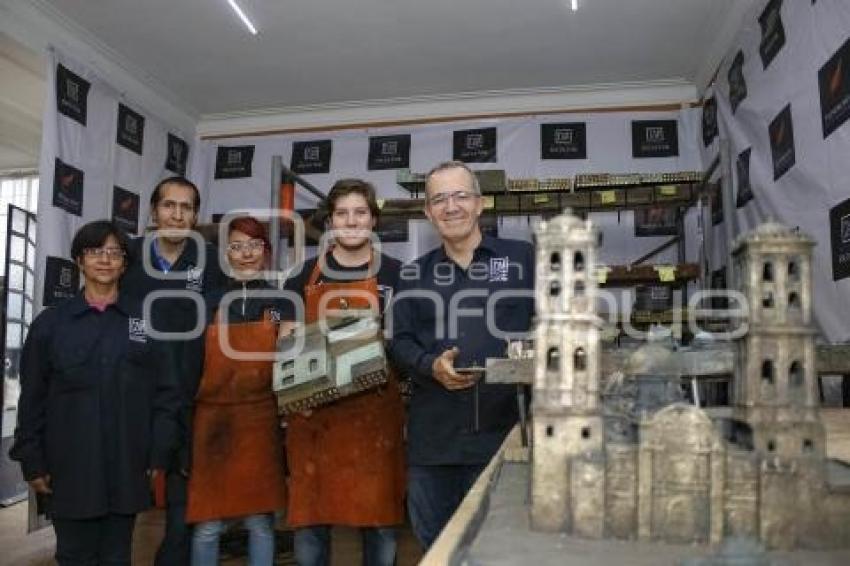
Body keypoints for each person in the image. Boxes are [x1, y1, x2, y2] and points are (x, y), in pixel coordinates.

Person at [10, 220, 180, 566]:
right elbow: (32, 399)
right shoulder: (51, 324)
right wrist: (32, 460)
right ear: (79, 261)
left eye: (114, 252)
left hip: (127, 466)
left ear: (125, 264)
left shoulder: (145, 322)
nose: (105, 259)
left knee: (118, 557)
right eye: (94, 251)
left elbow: (167, 393)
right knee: (75, 557)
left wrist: (157, 454)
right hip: (69, 469)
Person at [388, 161, 534, 549]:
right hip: (434, 443)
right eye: (439, 199)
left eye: (460, 196)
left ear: (480, 203)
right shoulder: (412, 275)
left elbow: (557, 323)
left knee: (502, 549)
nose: (451, 207)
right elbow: (398, 342)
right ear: (427, 212)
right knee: (437, 545)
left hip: (505, 439)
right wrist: (429, 366)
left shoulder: (522, 260)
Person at [281, 178, 405, 566]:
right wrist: (365, 336)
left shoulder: (399, 275)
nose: (351, 221)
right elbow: (288, 342)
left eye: (360, 212)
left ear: (373, 219)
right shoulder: (301, 277)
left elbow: (404, 341)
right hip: (315, 417)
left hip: (375, 417)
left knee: (381, 522)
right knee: (311, 523)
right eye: (342, 213)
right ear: (330, 221)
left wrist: (330, 340)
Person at [121, 176, 227, 566]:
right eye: (169, 205)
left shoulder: (211, 260)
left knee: (183, 501)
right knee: (124, 491)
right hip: (134, 395)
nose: (177, 214)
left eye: (186, 207)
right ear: (154, 211)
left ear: (195, 215)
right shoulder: (128, 255)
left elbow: (217, 322)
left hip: (188, 394)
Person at [185, 216, 288, 566]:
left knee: (260, 521)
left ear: (267, 252)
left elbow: (291, 356)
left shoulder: (283, 300)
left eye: (254, 245)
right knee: (208, 525)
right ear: (226, 253)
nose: (246, 253)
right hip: (212, 420)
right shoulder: (208, 302)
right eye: (237, 246)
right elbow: (189, 363)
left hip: (261, 417)